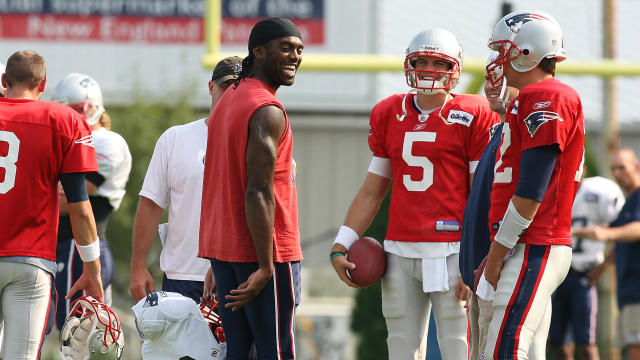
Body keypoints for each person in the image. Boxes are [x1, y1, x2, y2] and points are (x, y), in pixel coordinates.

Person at [330, 28, 500, 360]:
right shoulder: (388, 112)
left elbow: (481, 194)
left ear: (454, 69)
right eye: (421, 61)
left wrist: (474, 257)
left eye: (438, 62)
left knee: (457, 345)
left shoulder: (473, 113)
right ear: (409, 63)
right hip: (398, 251)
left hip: (452, 251)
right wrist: (342, 243)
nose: (428, 69)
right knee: (401, 347)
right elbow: (371, 191)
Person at [481, 10, 585, 359]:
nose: (497, 59)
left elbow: (531, 191)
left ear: (526, 52)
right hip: (522, 242)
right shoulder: (526, 101)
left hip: (534, 241)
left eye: (503, 50)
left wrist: (496, 254)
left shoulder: (548, 97)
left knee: (505, 346)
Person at [198, 17, 304, 359]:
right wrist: (264, 266)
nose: (295, 56)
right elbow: (257, 190)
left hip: (225, 249)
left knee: (238, 351)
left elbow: (220, 177)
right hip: (262, 250)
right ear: (258, 51)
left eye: (299, 49)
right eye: (285, 48)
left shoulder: (228, 96)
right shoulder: (266, 109)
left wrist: (219, 261)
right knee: (276, 351)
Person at [0, 50, 103, 359]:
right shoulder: (64, 120)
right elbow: (80, 205)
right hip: (30, 260)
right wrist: (92, 267)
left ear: (5, 81)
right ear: (42, 85)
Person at [129, 56, 242, 303]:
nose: (231, 95)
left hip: (238, 275)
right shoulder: (175, 138)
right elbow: (151, 203)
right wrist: (138, 267)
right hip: (183, 274)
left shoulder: (259, 139)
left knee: (237, 344)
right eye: (225, 87)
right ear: (212, 87)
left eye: (239, 88)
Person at [51, 73, 132, 330]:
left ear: (88, 108)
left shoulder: (106, 143)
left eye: (71, 110)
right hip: (69, 248)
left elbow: (69, 202)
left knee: (76, 339)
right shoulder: (76, 140)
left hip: (81, 249)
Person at [459, 51, 519, 360]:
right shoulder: (496, 133)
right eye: (487, 79)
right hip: (481, 274)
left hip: (500, 272)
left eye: (501, 78)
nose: (492, 86)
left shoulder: (521, 134)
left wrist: (493, 262)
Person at [548, 171, 624, 360]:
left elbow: (622, 231)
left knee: (587, 343)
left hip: (583, 274)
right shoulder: (553, 189)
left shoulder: (600, 190)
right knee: (559, 344)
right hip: (557, 275)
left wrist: (604, 265)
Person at [573, 148, 640, 360]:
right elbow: (612, 237)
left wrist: (606, 233)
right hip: (628, 290)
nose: (618, 173)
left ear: (636, 167)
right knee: (631, 348)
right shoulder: (628, 203)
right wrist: (603, 265)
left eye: (622, 167)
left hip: (638, 291)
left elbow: (636, 229)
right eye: (614, 169)